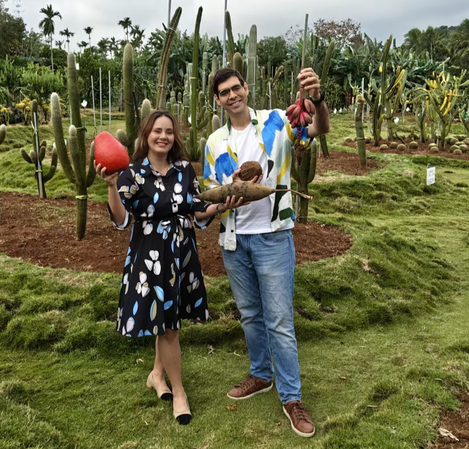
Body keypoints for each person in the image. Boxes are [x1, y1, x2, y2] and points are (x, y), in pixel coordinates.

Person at [202, 67, 330, 437]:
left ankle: (292, 397)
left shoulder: (277, 121)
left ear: (246, 88)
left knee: (279, 321)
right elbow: (214, 194)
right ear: (218, 99)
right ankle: (261, 375)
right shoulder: (213, 142)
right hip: (235, 240)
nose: (232, 95)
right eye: (224, 92)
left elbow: (319, 129)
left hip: (273, 236)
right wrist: (222, 201)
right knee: (250, 315)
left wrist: (317, 98)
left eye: (236, 88)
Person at [97, 110, 243, 425]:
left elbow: (197, 207)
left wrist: (222, 205)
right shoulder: (131, 173)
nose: (163, 136)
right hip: (149, 257)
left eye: (169, 132)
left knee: (167, 320)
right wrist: (111, 185)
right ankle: (179, 392)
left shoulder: (183, 170)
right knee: (170, 327)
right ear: (145, 135)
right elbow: (122, 221)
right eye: (157, 131)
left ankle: (156, 375)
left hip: (181, 253)